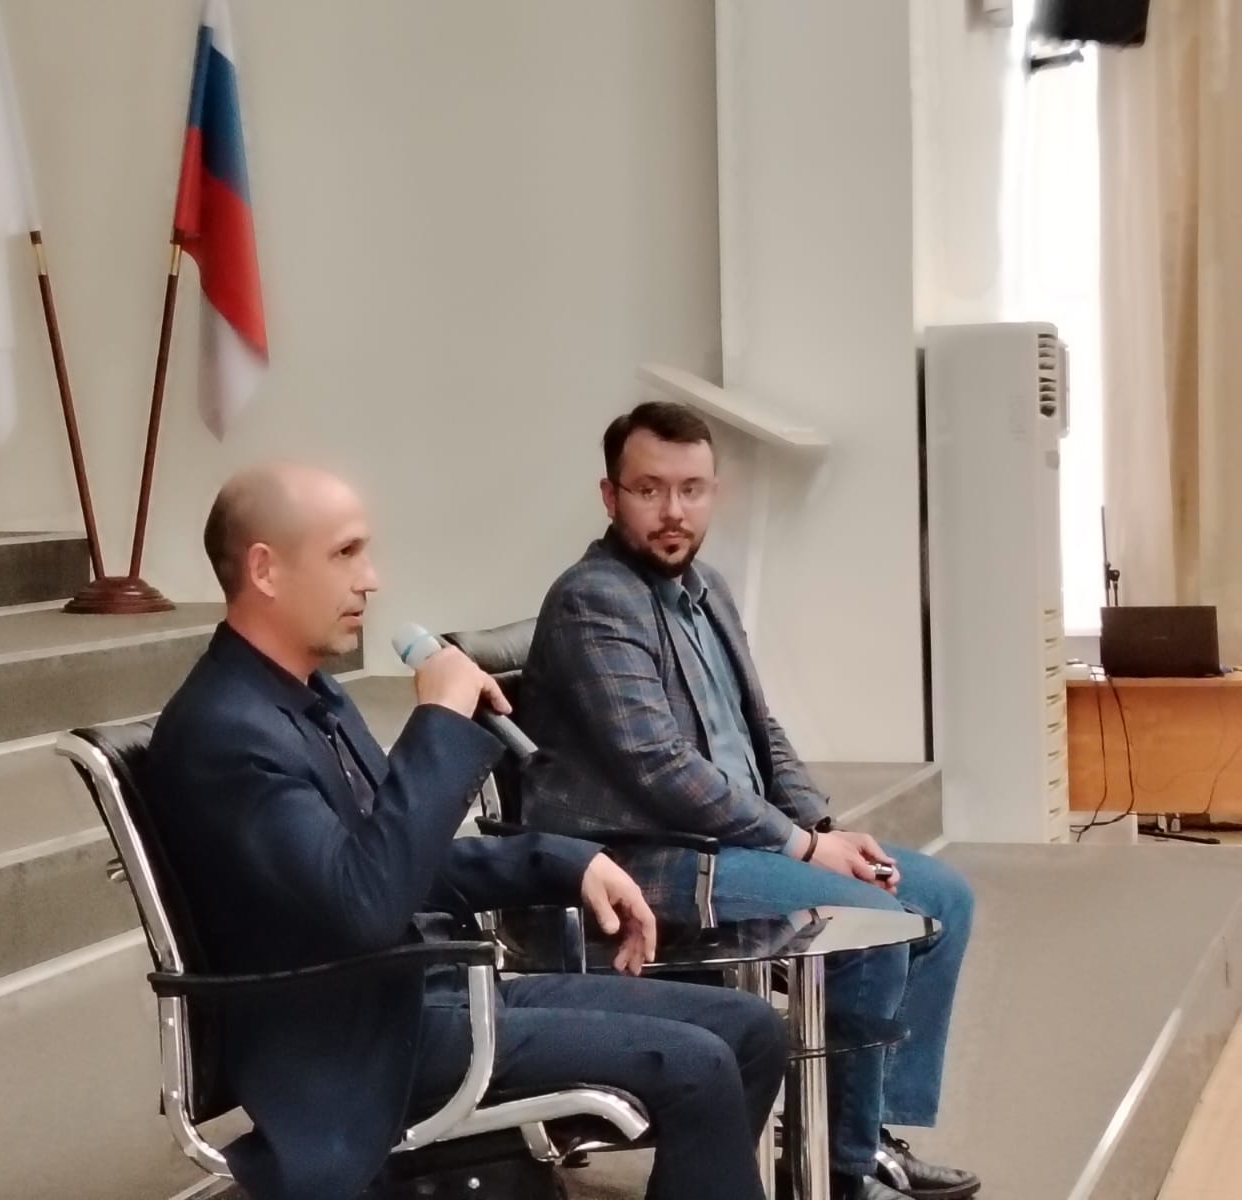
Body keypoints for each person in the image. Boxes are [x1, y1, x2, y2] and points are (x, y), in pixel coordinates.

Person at [144, 461, 788, 1200]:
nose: (371, 579)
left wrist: (568, 862)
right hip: (359, 1043)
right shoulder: (226, 732)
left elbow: (403, 860)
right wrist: (440, 721)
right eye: (346, 553)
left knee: (751, 1030)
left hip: (430, 994)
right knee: (699, 1065)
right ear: (265, 569)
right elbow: (367, 902)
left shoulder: (307, 695)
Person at [517, 403, 979, 1200]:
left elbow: (760, 728)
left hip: (733, 844)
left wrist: (824, 828)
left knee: (942, 896)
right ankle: (839, 1169)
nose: (673, 511)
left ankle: (868, 1133)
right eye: (650, 490)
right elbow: (659, 768)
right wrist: (804, 850)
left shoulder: (707, 590)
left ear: (713, 493)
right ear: (610, 496)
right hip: (647, 861)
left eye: (691, 489)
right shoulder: (593, 599)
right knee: (870, 921)